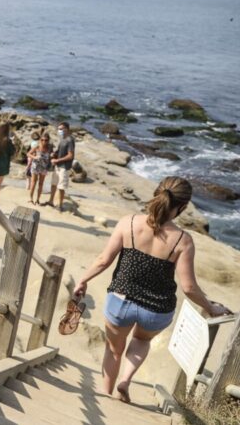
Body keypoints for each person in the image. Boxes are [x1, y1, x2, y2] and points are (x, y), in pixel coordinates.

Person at [73, 177, 231, 403]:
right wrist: (211, 307)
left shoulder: (128, 223)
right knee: (141, 341)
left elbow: (103, 260)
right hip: (156, 310)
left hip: (121, 301)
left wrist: (83, 280)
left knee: (113, 350)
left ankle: (106, 396)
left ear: (156, 193)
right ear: (183, 207)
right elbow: (189, 287)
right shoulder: (183, 241)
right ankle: (126, 379)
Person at [45, 121, 74, 211]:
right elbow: (60, 151)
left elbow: (70, 155)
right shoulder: (62, 139)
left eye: (61, 129)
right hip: (57, 166)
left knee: (61, 187)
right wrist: (54, 154)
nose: (59, 131)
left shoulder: (70, 140)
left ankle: (60, 205)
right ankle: (51, 201)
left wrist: (57, 160)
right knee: (53, 184)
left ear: (67, 129)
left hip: (64, 167)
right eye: (59, 129)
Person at [27, 133, 51, 205]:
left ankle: (37, 200)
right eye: (42, 140)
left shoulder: (49, 147)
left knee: (41, 184)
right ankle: (31, 199)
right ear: (40, 140)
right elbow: (28, 153)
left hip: (44, 167)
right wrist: (34, 157)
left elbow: (52, 155)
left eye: (46, 140)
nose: (44, 141)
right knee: (33, 182)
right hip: (35, 166)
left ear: (48, 140)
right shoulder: (37, 146)